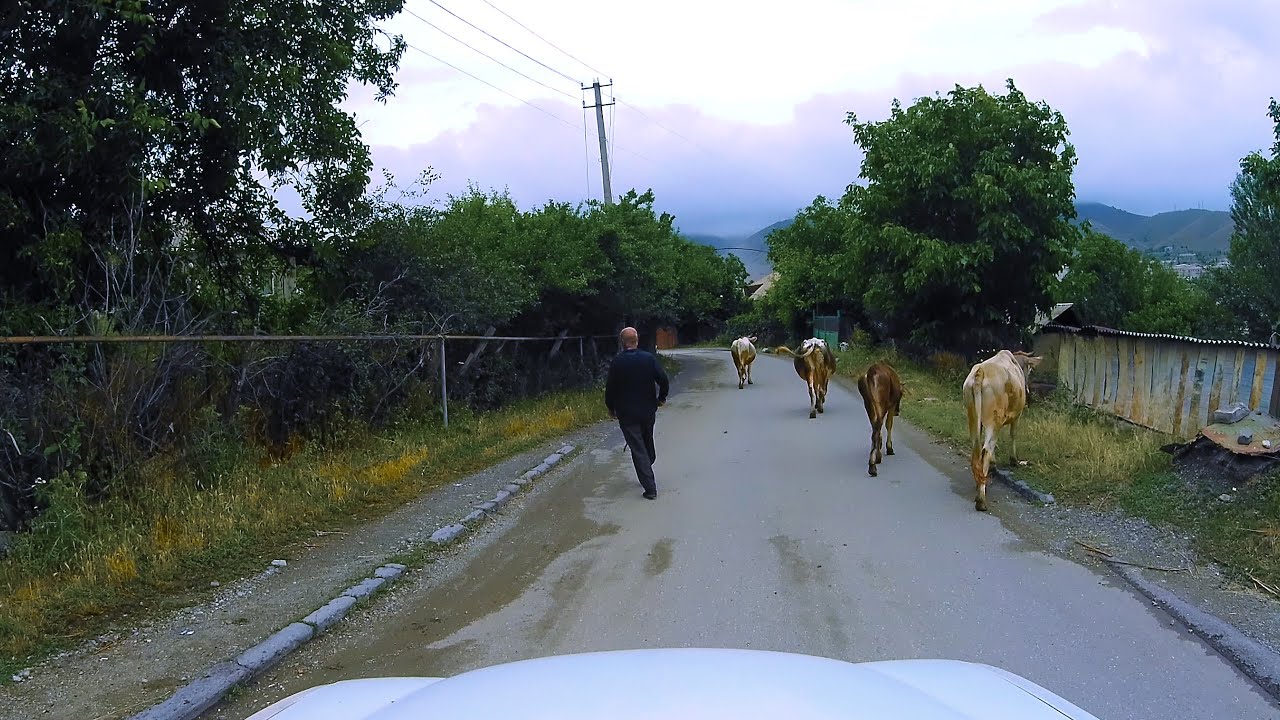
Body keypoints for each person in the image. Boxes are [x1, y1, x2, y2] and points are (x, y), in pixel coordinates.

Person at [604, 326, 670, 499]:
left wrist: (611, 408)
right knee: (646, 444)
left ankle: (650, 488)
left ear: (622, 343)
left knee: (639, 449)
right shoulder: (648, 359)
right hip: (648, 410)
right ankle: (647, 467)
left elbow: (610, 389)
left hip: (627, 414)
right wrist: (661, 398)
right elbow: (663, 378)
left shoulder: (617, 362)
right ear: (636, 341)